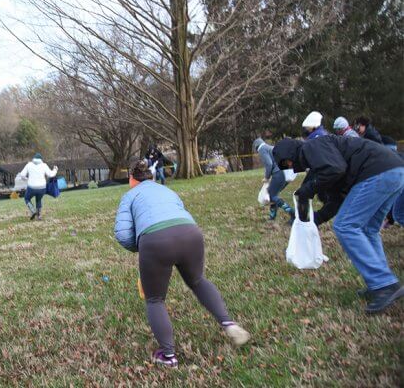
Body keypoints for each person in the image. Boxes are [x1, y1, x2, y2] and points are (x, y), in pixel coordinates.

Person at [114, 160, 250, 368]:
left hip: (155, 241)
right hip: (190, 232)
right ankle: (228, 323)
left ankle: (168, 356)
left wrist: (142, 247)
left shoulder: (129, 195)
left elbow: (123, 234)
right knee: (197, 280)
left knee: (155, 299)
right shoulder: (167, 190)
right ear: (150, 176)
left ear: (131, 178)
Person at [273, 135, 404, 313]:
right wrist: (316, 219)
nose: (289, 166)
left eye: (287, 162)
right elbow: (338, 198)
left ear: (290, 153)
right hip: (394, 171)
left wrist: (309, 189)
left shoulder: (312, 147)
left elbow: (336, 169)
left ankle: (383, 284)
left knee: (345, 226)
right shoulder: (323, 159)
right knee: (368, 230)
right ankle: (381, 282)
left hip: (377, 172)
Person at [253, 138, 295, 222]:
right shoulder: (271, 147)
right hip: (286, 172)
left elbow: (269, 164)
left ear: (256, 147)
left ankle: (292, 212)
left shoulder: (262, 149)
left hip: (278, 173)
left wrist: (266, 177)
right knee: (273, 195)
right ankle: (272, 217)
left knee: (272, 195)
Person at [18, 153, 57, 220]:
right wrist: (55, 169)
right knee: (38, 199)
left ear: (33, 159)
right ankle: (39, 216)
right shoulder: (44, 165)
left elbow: (22, 175)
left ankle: (33, 210)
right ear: (41, 159)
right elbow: (51, 175)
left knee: (27, 198)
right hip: (42, 188)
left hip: (31, 187)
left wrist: (26, 179)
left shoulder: (29, 164)